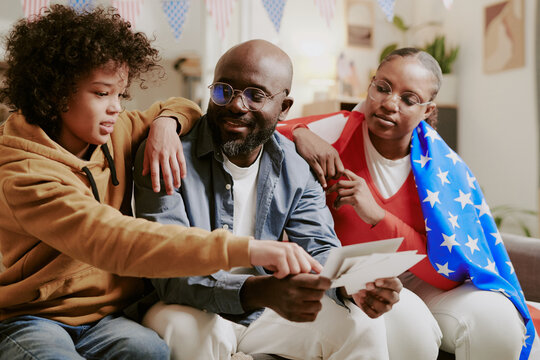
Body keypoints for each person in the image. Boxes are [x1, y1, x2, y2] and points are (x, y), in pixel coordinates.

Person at [0, 7, 318, 360]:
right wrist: (247, 249)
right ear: (56, 93)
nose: (115, 108)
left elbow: (184, 106)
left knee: (150, 350)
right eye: (102, 93)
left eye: (120, 95)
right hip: (32, 317)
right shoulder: (22, 172)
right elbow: (111, 238)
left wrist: (166, 124)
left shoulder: (114, 133)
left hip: (106, 317)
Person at [134, 39, 403, 360]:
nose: (235, 105)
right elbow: (169, 270)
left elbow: (319, 249)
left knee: (362, 327)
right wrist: (259, 292)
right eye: (223, 90)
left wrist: (353, 283)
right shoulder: (168, 153)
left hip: (265, 309)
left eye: (255, 95)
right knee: (189, 329)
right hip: (185, 306)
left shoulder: (296, 166)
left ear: (284, 108)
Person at [278, 47, 539, 359]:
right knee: (406, 319)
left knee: (497, 319)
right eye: (383, 88)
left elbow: (446, 274)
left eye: (408, 98)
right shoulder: (331, 133)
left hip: (427, 281)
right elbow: (263, 128)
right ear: (371, 85)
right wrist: (301, 133)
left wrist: (377, 215)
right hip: (356, 280)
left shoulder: (444, 170)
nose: (389, 103)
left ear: (427, 110)